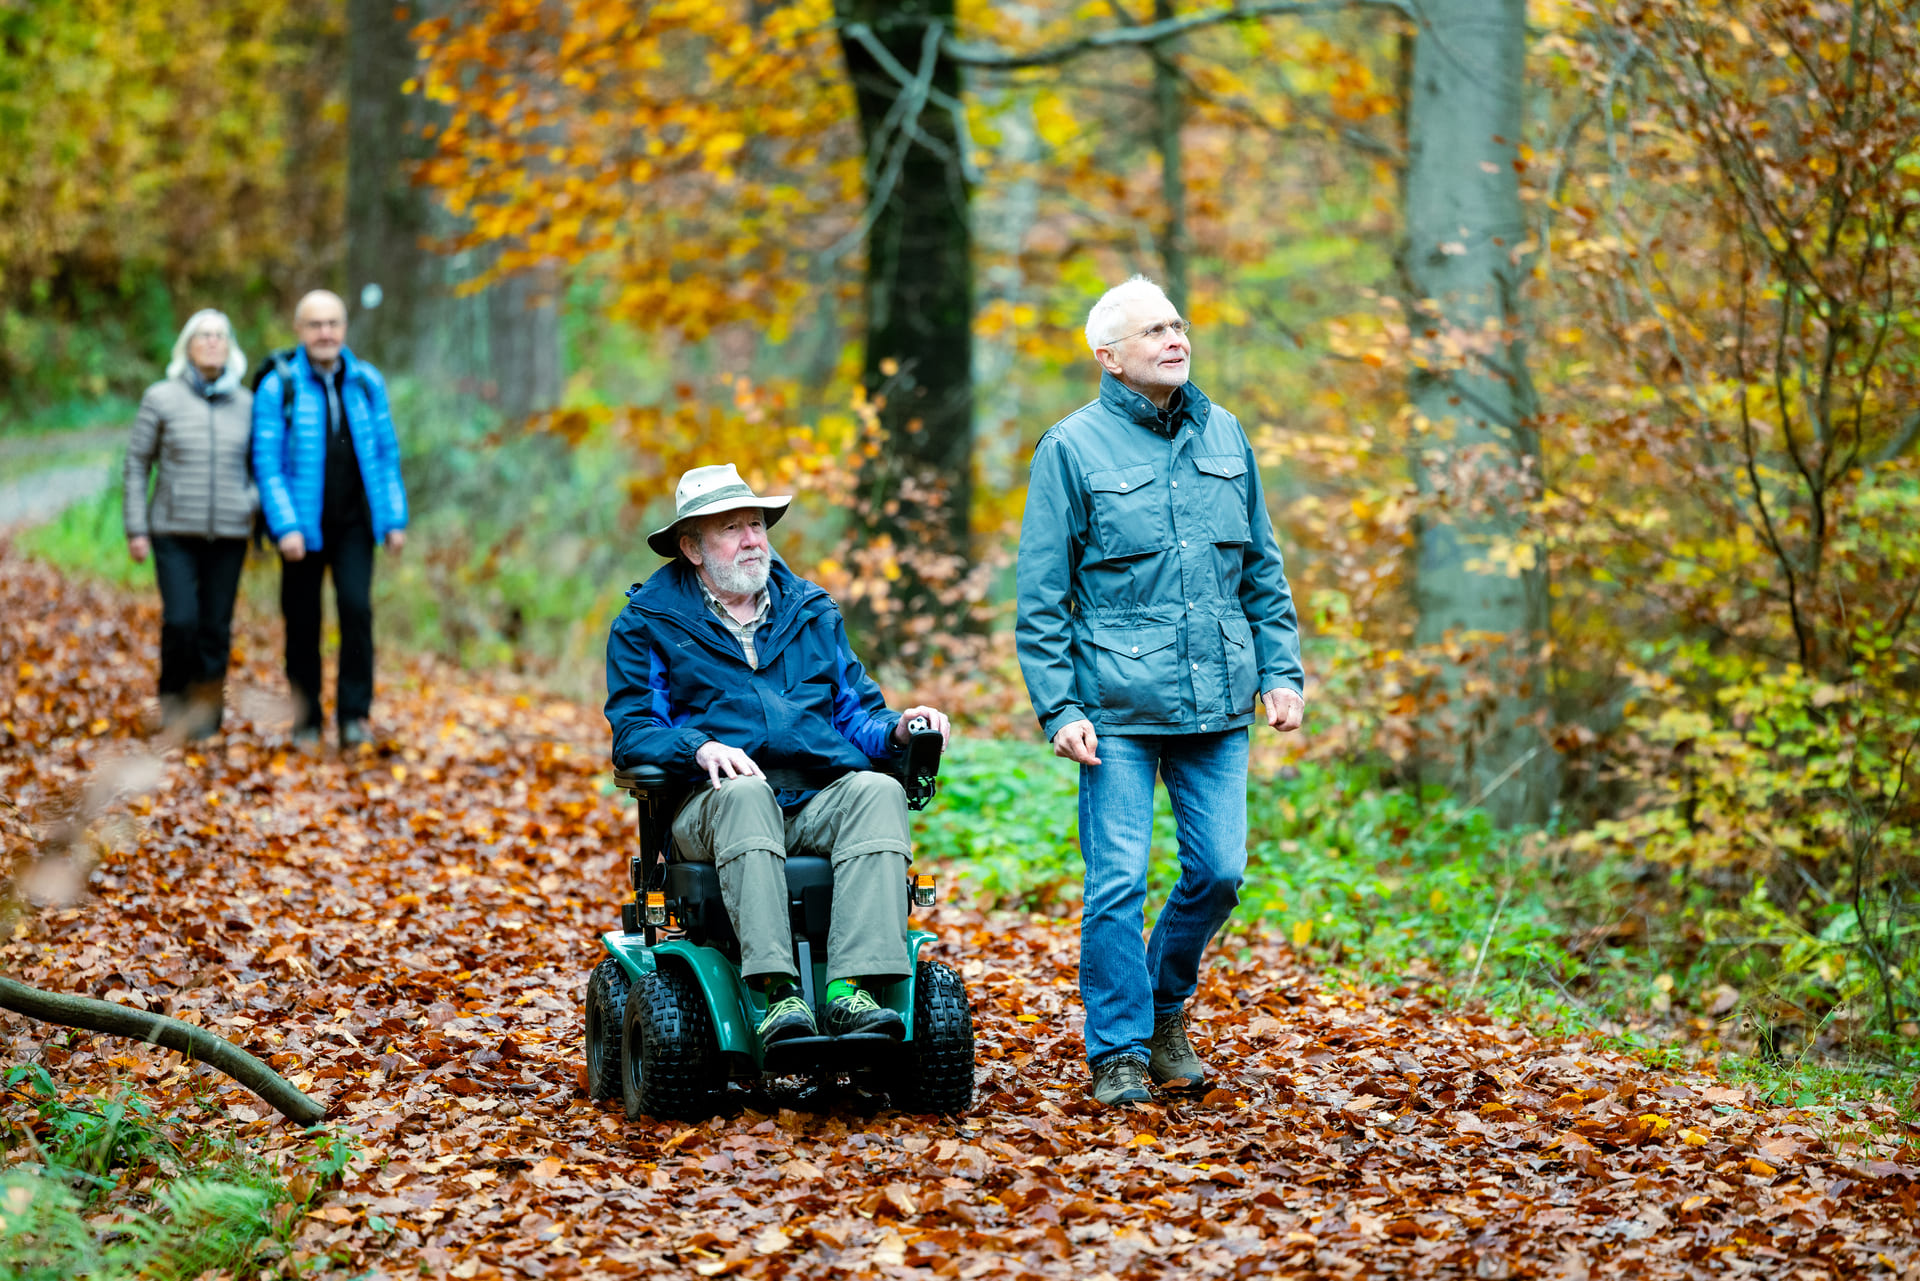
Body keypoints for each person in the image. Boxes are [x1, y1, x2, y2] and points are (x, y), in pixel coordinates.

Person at [1015, 275, 1307, 1106]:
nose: (1176, 339)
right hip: (1115, 708)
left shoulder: (1227, 433)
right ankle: (1116, 1049)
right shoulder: (1070, 448)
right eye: (1153, 331)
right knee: (1116, 882)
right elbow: (1041, 597)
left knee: (1219, 872)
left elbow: (1262, 568)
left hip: (1218, 701)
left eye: (1178, 324)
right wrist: (1059, 706)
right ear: (1108, 356)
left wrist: (1281, 671)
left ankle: (1163, 1005)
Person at [605, 463, 952, 1047]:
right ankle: (774, 995)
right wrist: (699, 746)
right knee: (745, 793)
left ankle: (850, 993)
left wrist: (900, 729)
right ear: (691, 547)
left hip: (814, 798)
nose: (751, 540)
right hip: (712, 806)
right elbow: (634, 729)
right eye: (730, 528)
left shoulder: (811, 612)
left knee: (878, 790)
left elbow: (856, 717)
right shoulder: (647, 625)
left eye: (757, 525)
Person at [252, 290, 408, 748]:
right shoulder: (278, 385)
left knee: (357, 613)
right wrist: (286, 527)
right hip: (301, 527)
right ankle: (306, 721)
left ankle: (354, 718)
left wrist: (394, 519)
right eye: (315, 325)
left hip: (355, 525)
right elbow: (267, 463)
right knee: (302, 624)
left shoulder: (366, 382)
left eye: (333, 324)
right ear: (300, 331)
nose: (325, 333)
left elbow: (385, 454)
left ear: (344, 329)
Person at [122, 309, 258, 739]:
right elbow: (137, 464)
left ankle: (205, 719)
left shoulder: (248, 404)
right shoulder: (160, 397)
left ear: (230, 346)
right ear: (188, 345)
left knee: (216, 628)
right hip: (172, 530)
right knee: (181, 621)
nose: (213, 342)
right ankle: (172, 703)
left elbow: (264, 464)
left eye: (221, 335)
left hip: (230, 533)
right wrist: (136, 527)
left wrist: (249, 501)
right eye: (204, 335)